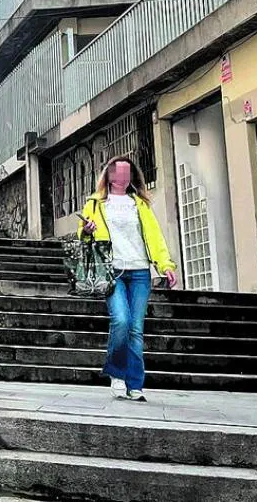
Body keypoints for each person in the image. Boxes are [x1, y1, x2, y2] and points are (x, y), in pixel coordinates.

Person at [79, 155, 178, 402]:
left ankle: (135, 384)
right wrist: (87, 231)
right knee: (121, 321)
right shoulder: (95, 203)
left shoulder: (140, 204)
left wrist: (165, 264)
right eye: (118, 172)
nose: (123, 177)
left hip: (140, 271)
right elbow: (84, 237)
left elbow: (154, 237)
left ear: (132, 177)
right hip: (113, 271)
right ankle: (117, 374)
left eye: (127, 172)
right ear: (109, 175)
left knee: (136, 328)